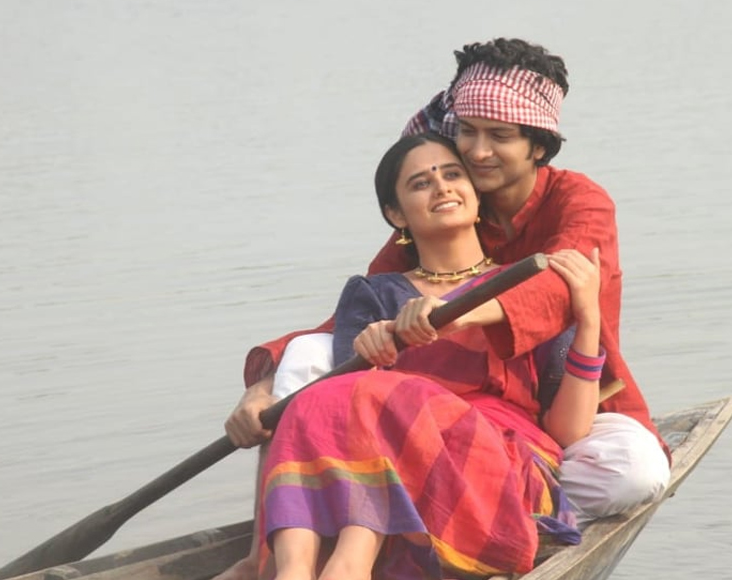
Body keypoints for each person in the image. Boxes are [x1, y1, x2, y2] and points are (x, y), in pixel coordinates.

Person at [219, 37, 670, 579]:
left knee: (635, 474)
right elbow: (348, 320)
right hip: (429, 417)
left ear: (538, 146)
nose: (477, 153)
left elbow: (557, 289)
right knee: (316, 358)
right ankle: (263, 557)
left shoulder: (578, 201)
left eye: (499, 136)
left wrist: (446, 313)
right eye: (467, 132)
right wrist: (262, 390)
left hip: (569, 402)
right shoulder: (431, 223)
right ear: (398, 214)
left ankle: (500, 508)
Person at [251, 132, 605, 580]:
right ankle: (294, 570)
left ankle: (347, 567)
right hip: (386, 471)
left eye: (453, 174)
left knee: (385, 393)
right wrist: (370, 348)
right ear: (395, 214)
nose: (441, 187)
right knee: (318, 400)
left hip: (496, 473)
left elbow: (569, 431)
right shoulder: (374, 295)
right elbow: (343, 414)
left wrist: (588, 319)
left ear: (476, 193)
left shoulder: (524, 288)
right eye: (421, 183)